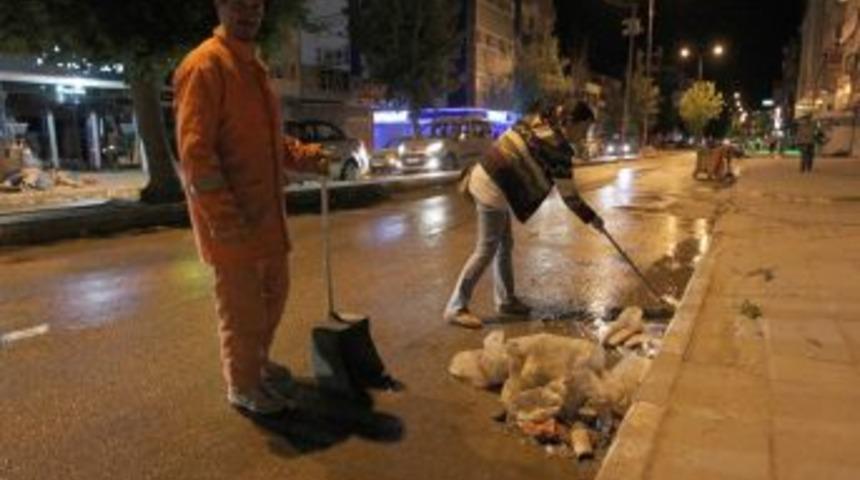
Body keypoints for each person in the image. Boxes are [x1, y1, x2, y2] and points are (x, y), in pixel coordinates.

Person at [174, 0, 328, 415]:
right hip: (232, 224)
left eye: (256, 5)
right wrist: (223, 220)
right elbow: (196, 155)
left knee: (272, 300)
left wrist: (307, 156)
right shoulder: (205, 67)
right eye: (238, 4)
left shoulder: (251, 69)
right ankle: (242, 385)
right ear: (219, 6)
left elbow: (269, 142)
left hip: (266, 219)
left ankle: (256, 365)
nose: (249, 12)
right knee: (243, 314)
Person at [444, 101, 603, 329]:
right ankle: (455, 307)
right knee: (486, 248)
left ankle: (506, 301)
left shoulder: (538, 120)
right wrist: (592, 218)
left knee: (504, 245)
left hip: (490, 178)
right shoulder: (558, 149)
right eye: (583, 128)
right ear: (570, 122)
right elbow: (570, 197)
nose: (584, 134)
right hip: (493, 187)